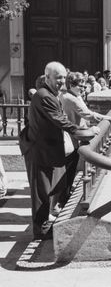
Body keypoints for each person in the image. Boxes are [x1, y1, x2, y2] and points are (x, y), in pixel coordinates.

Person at [20, 62, 98, 240]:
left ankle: (44, 223)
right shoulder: (44, 96)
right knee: (41, 191)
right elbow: (62, 121)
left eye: (63, 77)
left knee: (48, 188)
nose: (61, 81)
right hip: (38, 150)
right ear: (47, 77)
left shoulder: (52, 94)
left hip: (46, 149)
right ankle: (40, 230)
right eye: (58, 78)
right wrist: (85, 132)